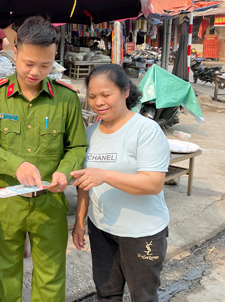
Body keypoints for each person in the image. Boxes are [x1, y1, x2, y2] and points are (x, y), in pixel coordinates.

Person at [0, 16, 88, 302]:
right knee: (5, 272)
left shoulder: (66, 98)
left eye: (45, 65)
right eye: (28, 63)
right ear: (15, 53)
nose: (36, 72)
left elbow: (76, 146)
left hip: (50, 201)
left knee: (51, 275)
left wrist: (65, 172)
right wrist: (17, 165)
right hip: (7, 202)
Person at [71, 64, 170, 302]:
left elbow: (153, 183)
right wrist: (79, 221)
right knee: (106, 293)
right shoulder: (90, 132)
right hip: (102, 229)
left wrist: (105, 175)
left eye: (106, 95)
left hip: (142, 232)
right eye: (92, 96)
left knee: (143, 296)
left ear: (125, 91)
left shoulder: (146, 130)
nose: (98, 102)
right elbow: (85, 181)